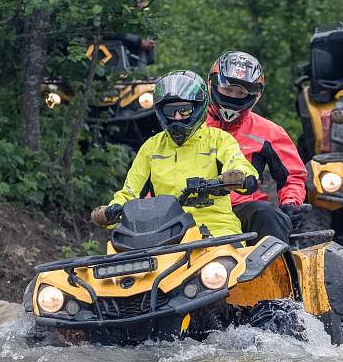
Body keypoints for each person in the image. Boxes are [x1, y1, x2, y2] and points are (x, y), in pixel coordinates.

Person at [91, 70, 259, 237]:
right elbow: (130, 192)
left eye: (185, 110)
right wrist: (112, 209)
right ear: (160, 111)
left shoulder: (219, 140)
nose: (177, 117)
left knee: (233, 261)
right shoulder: (151, 147)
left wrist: (238, 176)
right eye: (170, 111)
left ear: (198, 108)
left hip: (216, 229)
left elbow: (237, 163)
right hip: (162, 232)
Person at [205, 51, 307, 245]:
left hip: (244, 209)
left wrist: (291, 202)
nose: (234, 97)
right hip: (195, 210)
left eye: (241, 92)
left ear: (255, 95)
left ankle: (281, 272)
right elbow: (161, 165)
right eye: (228, 90)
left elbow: (293, 176)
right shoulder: (191, 126)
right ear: (213, 85)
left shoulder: (269, 132)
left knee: (268, 213)